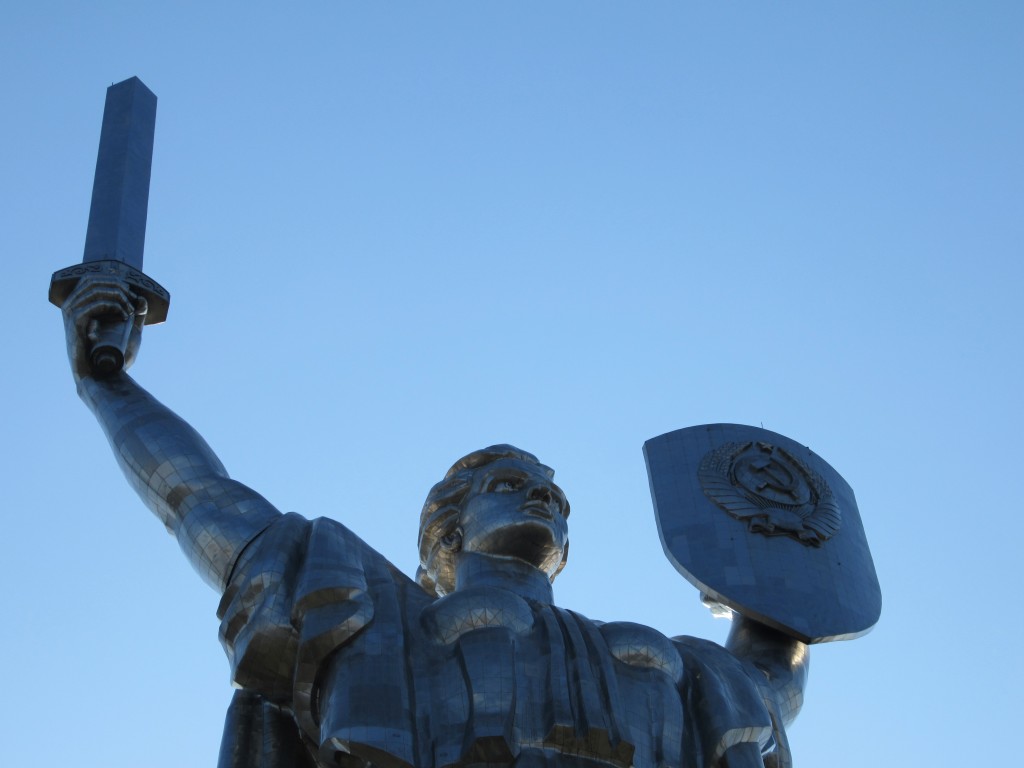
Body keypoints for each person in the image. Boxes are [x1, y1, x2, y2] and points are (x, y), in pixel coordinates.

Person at [62, 275, 809, 768]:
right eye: (512, 484)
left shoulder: (677, 664)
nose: (543, 498)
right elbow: (200, 498)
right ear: (445, 535)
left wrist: (786, 553)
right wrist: (107, 386)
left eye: (555, 494)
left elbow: (772, 679)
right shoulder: (374, 612)